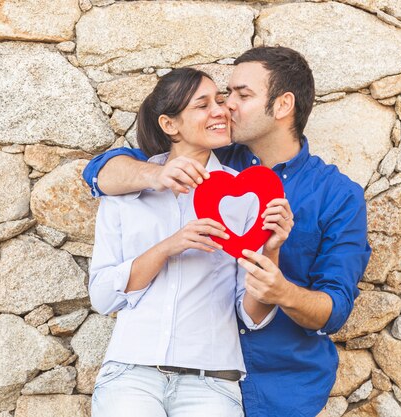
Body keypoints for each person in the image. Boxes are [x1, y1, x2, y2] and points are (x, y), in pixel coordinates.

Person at [83, 47, 372, 417]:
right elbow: (100, 172)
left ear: (283, 105)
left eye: (241, 95)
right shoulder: (208, 160)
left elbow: (334, 310)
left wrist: (281, 289)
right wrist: (151, 176)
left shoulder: (337, 195)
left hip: (279, 384)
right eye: (224, 95)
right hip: (162, 374)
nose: (226, 106)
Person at [88, 67, 294, 417]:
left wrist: (272, 249)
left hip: (212, 381)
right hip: (131, 373)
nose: (220, 110)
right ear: (170, 125)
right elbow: (103, 297)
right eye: (203, 105)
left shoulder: (246, 196)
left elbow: (251, 313)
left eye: (220, 100)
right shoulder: (125, 191)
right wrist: (170, 245)